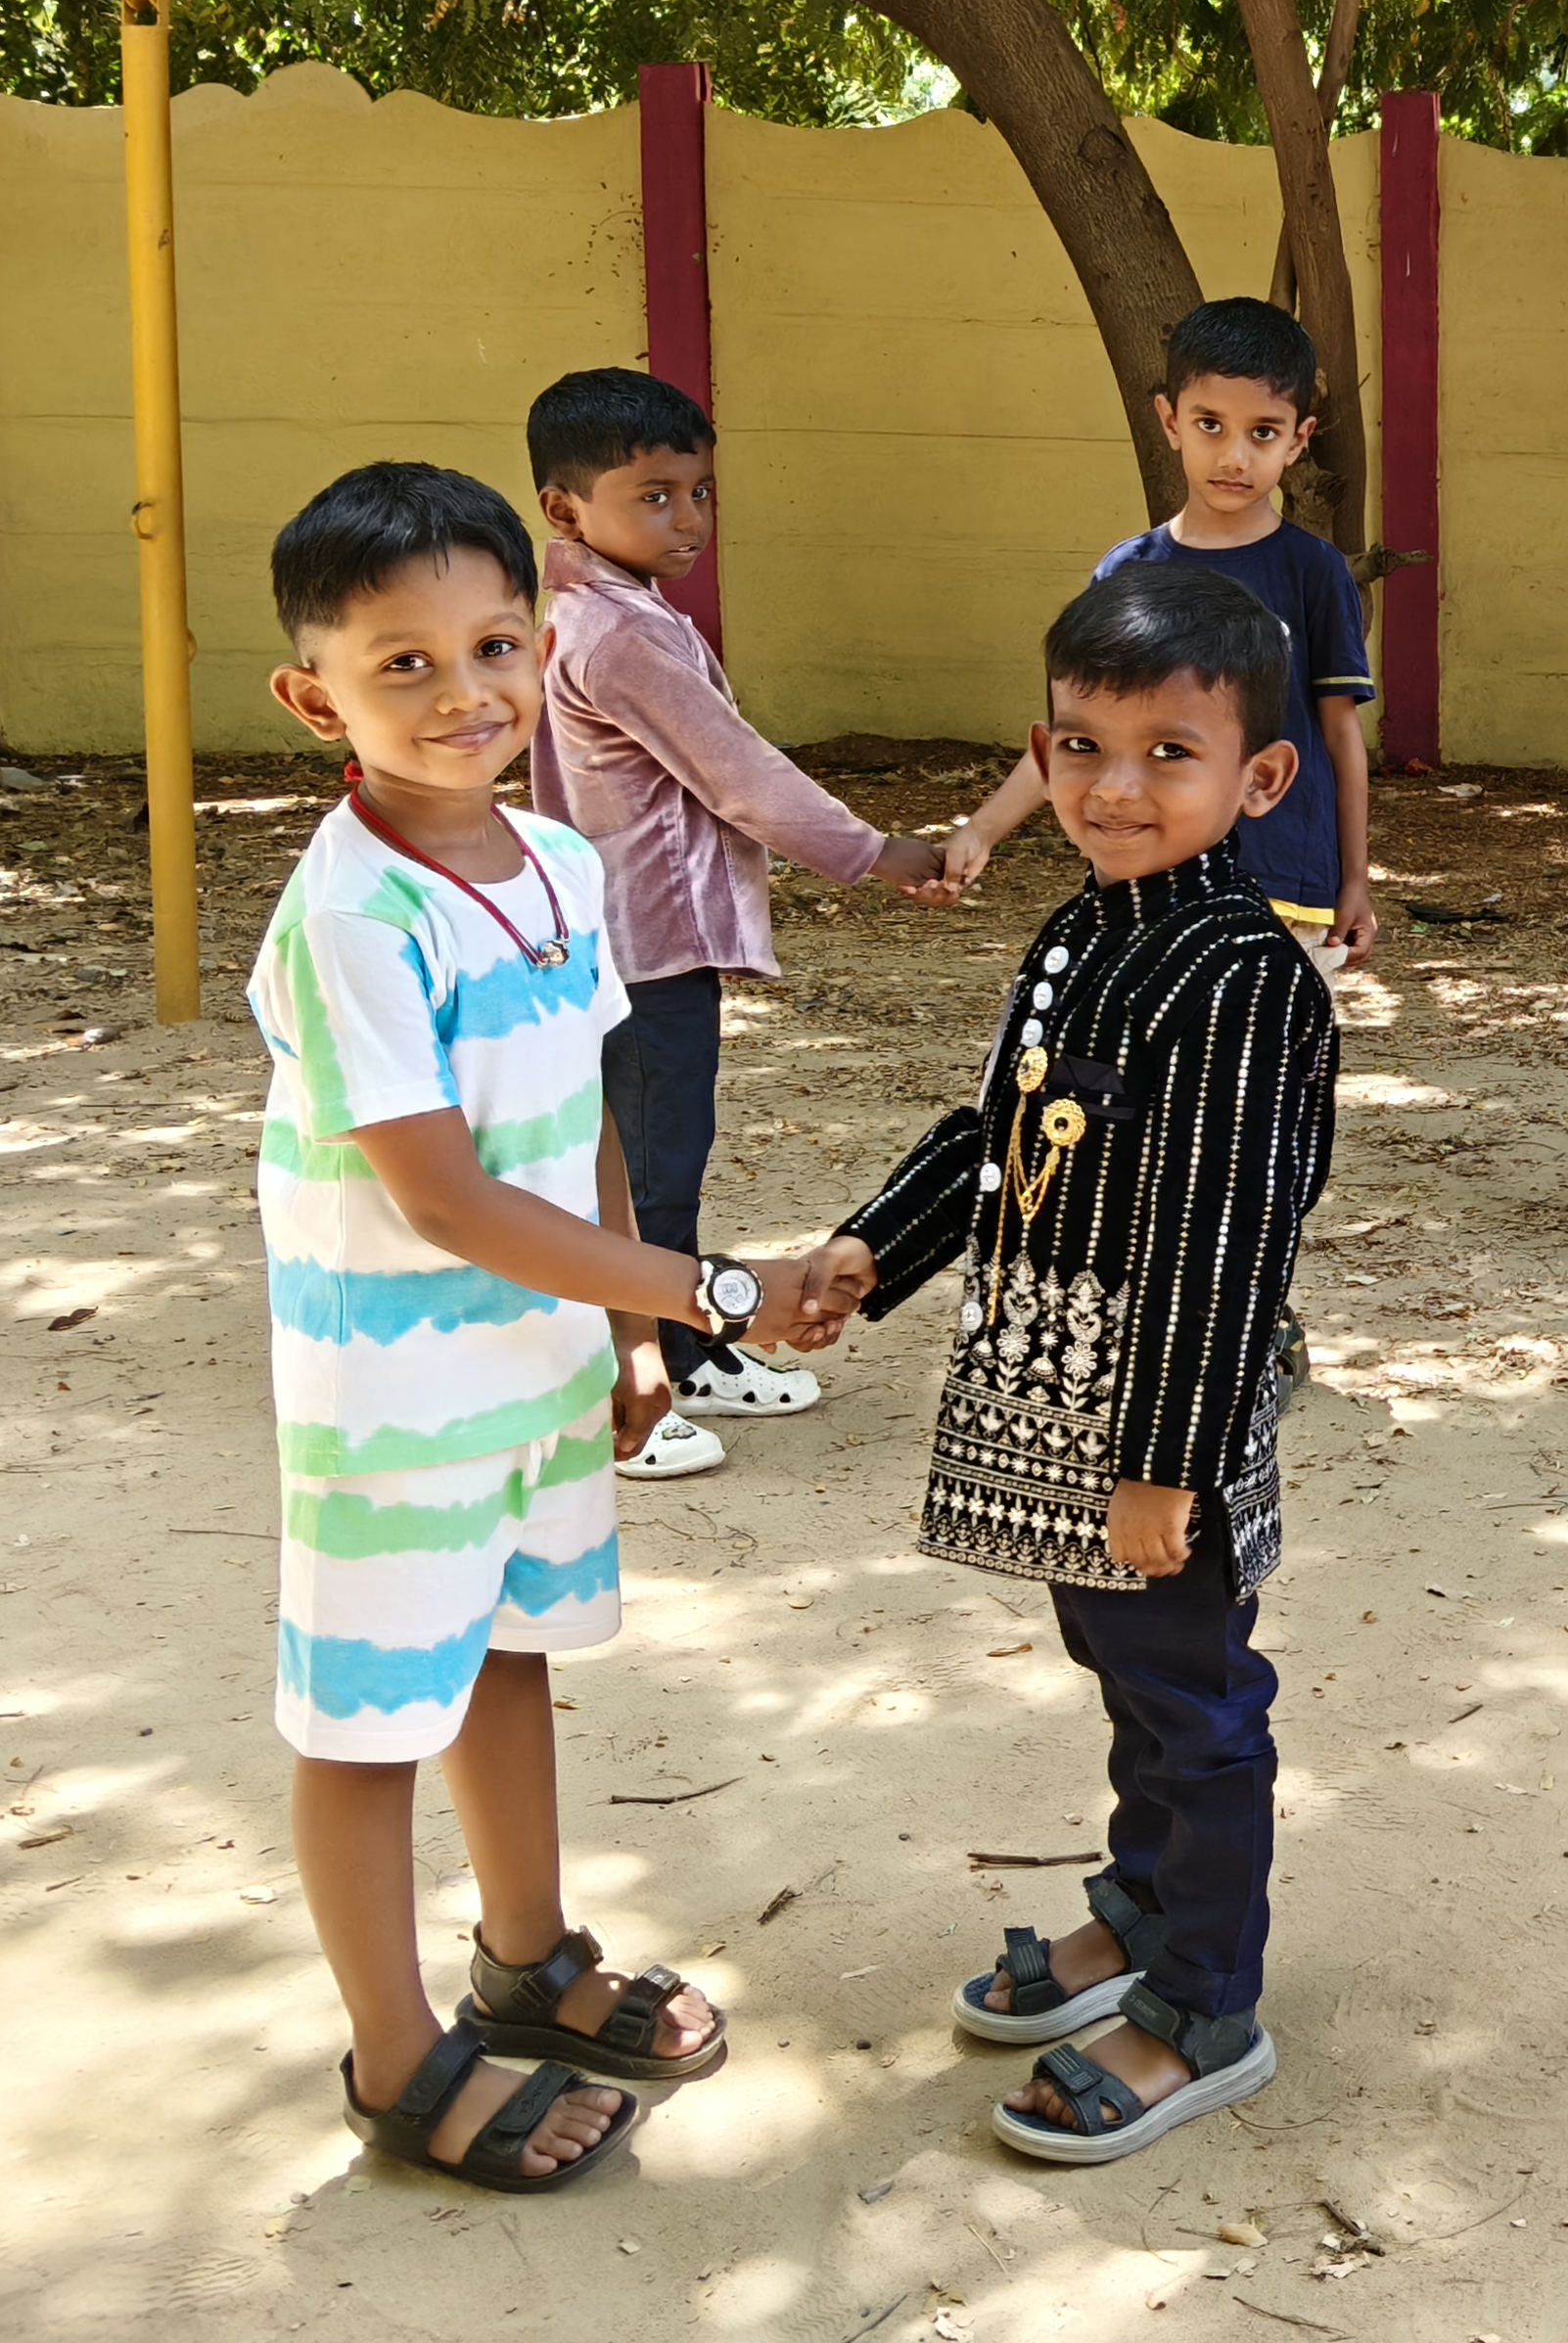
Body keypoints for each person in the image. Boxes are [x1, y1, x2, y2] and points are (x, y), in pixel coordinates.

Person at [785, 565, 1341, 2163]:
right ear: (1042, 752)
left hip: (1156, 1414)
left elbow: (1226, 1237)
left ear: (1260, 778)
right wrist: (874, 1249)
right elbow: (1005, 1136)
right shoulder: (1082, 929)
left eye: (1171, 754)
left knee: (1193, 1697)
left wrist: (1165, 1464)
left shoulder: (1241, 977)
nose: (1118, 787)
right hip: (1052, 1390)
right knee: (1124, 1669)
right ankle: (1143, 1909)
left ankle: (1205, 2003)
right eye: (1085, 748)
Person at [252, 462, 752, 2191]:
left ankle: (526, 1960)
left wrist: (624, 1325)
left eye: (492, 645)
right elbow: (448, 1203)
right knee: (373, 1712)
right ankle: (394, 2056)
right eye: (402, 663)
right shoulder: (350, 917)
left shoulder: (554, 858)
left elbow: (583, 1101)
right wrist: (701, 1291)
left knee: (504, 1650)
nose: (463, 692)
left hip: (535, 1364)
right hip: (395, 1392)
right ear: (313, 696)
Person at [528, 367, 949, 1480]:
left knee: (662, 1157)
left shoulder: (616, 613)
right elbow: (740, 776)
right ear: (564, 509)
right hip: (644, 948)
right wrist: (874, 853)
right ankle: (628, 1385)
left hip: (638, 940)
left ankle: (679, 1344)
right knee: (647, 1171)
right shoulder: (618, 636)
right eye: (654, 496)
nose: (688, 518)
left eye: (701, 491)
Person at [941, 299, 1379, 977]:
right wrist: (982, 830)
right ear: (1171, 422)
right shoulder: (1128, 570)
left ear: (1298, 439)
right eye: (1210, 424)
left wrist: (1355, 880)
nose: (1234, 456)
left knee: (1257, 1046)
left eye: (1263, 432)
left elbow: (1340, 734)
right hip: (1145, 885)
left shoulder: (1314, 572)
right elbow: (1077, 734)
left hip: (1284, 891)